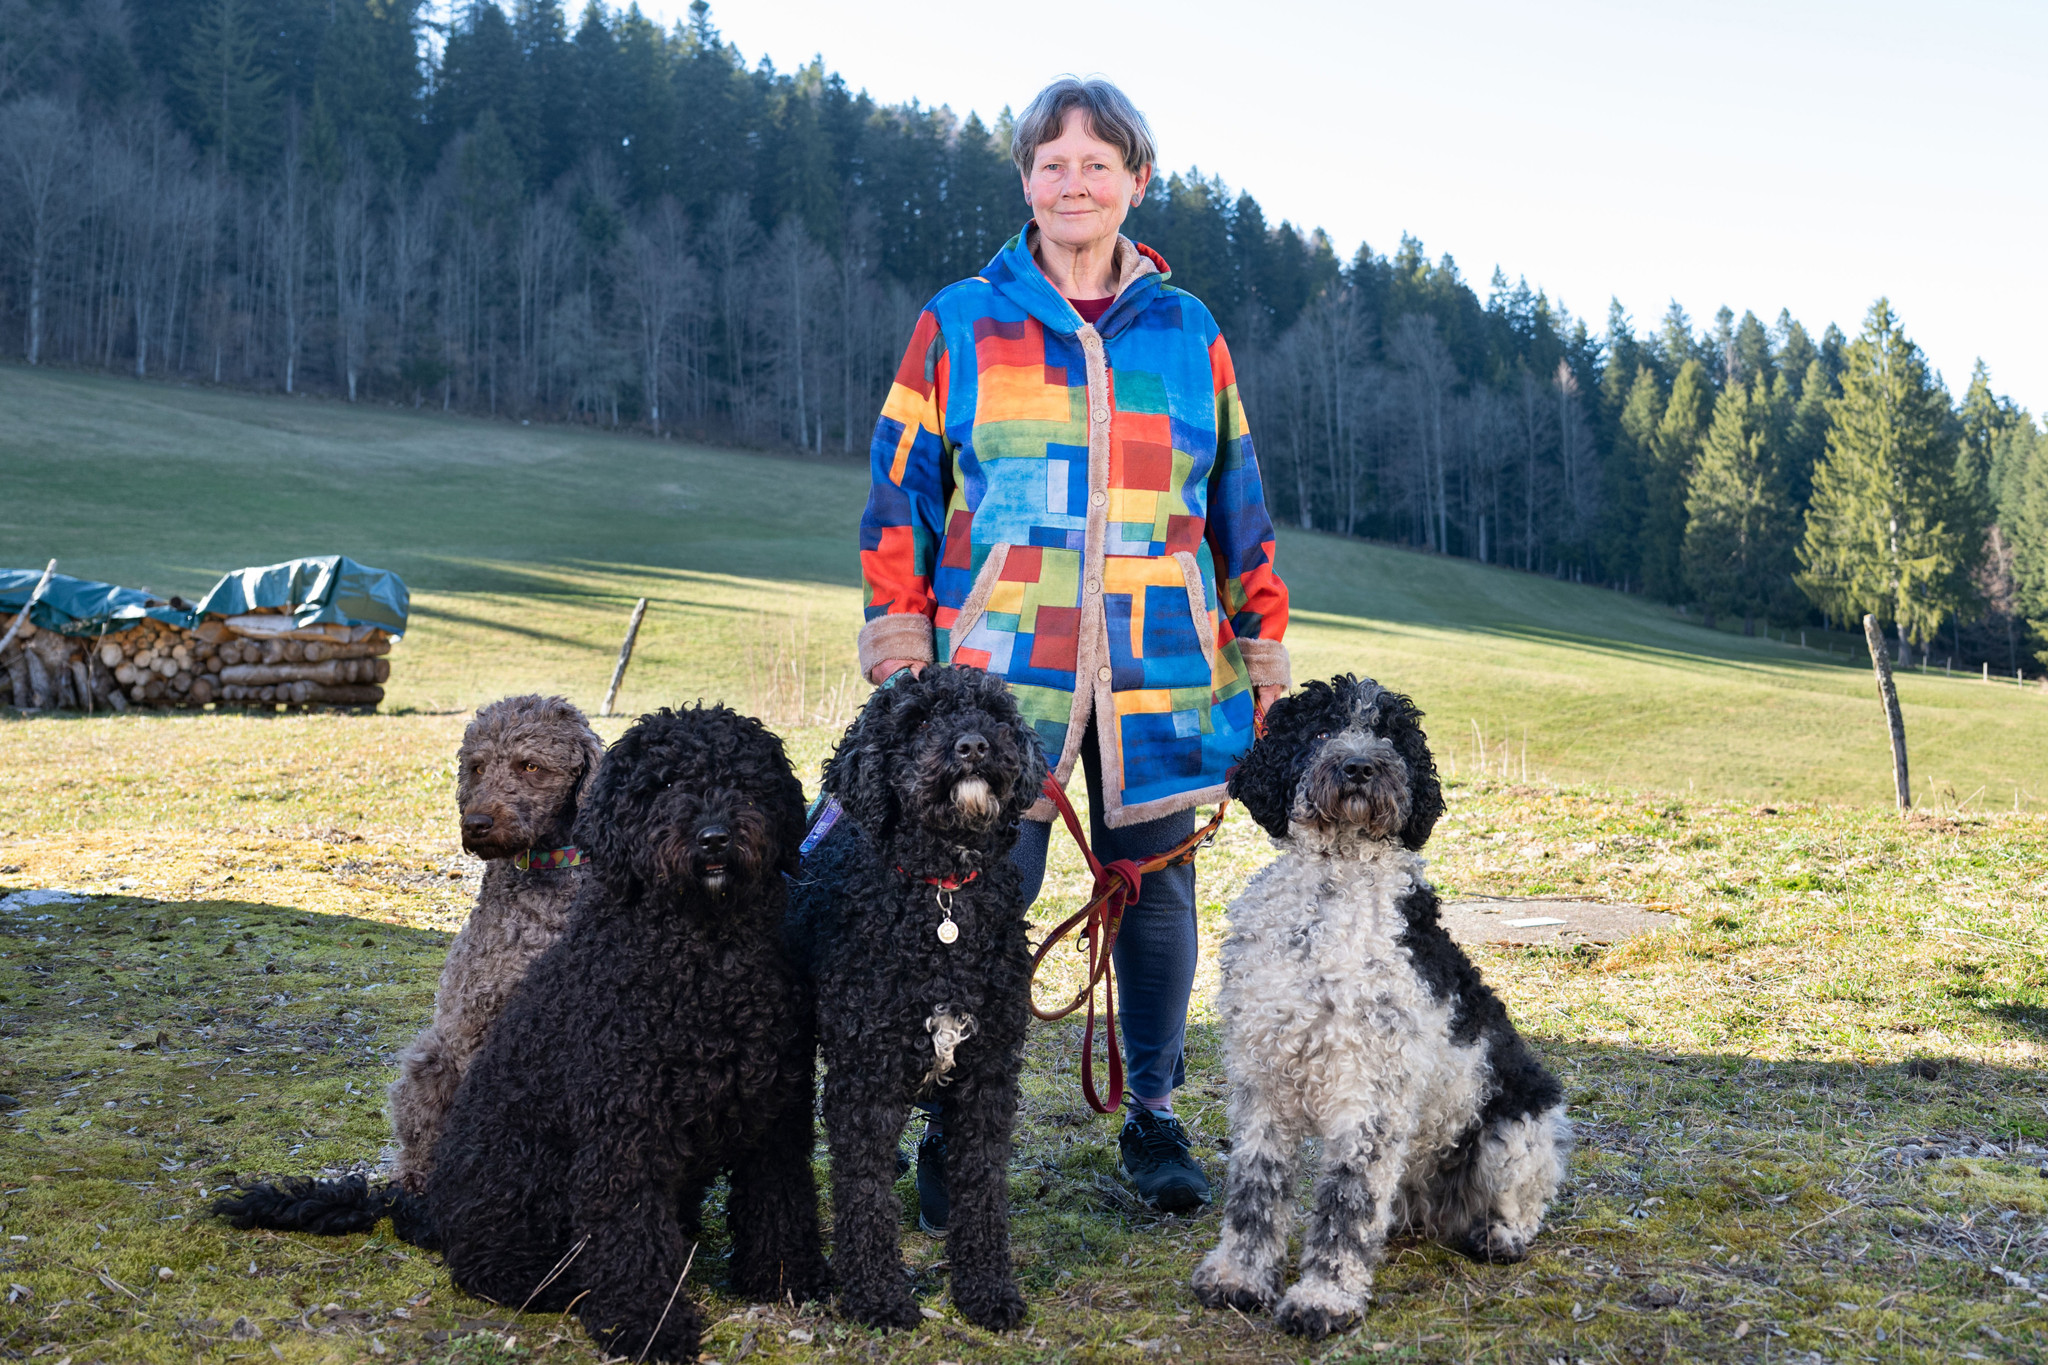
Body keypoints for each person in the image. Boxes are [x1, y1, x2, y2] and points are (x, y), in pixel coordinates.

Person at [856, 77, 1291, 1225]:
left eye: (1097, 163)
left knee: (1154, 891)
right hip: (996, 672)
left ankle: (1152, 1112)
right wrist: (901, 644)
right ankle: (953, 1124)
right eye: (1052, 162)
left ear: (1135, 182)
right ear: (1025, 182)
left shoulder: (1189, 333)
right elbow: (900, 490)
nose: (1073, 182)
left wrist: (1262, 649)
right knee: (975, 898)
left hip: (1162, 665)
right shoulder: (959, 321)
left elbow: (1238, 501)